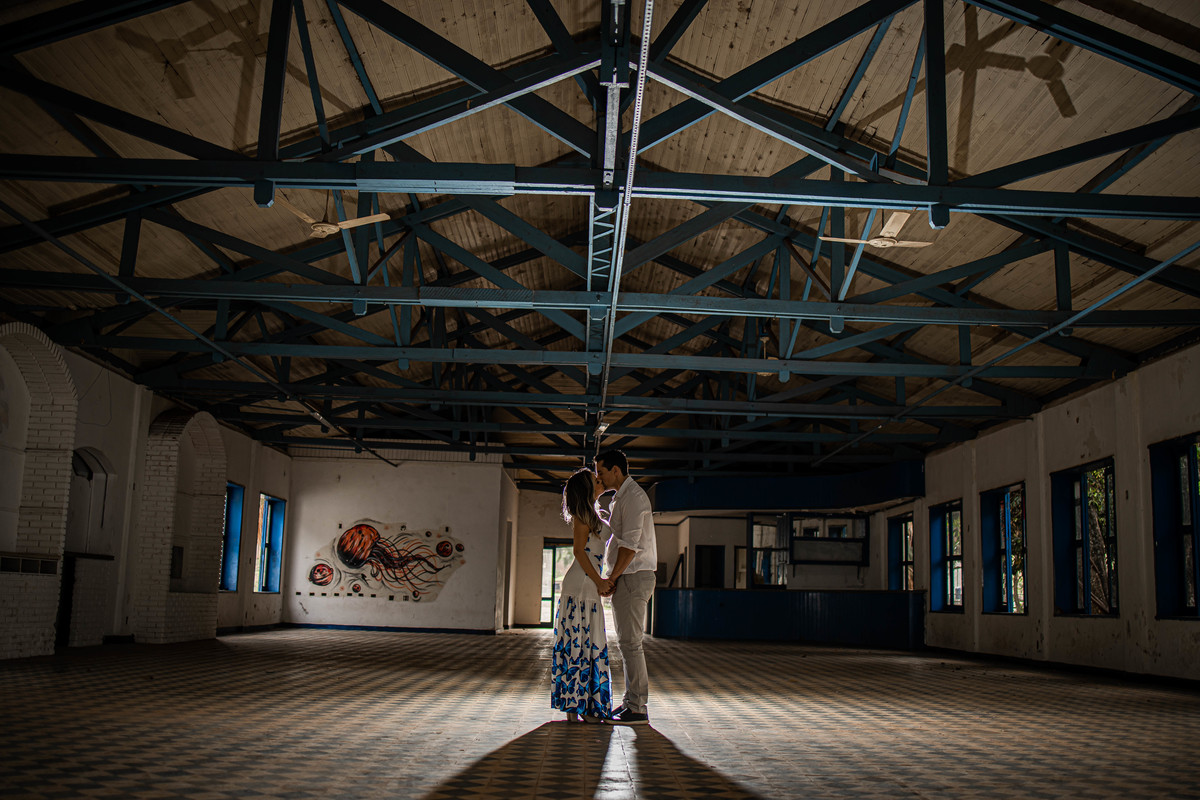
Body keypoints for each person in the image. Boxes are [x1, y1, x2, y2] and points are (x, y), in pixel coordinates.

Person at [594, 449, 657, 726]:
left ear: (616, 470)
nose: (600, 477)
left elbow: (630, 547)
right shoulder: (622, 498)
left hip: (633, 575)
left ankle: (638, 708)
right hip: (629, 576)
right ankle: (631, 701)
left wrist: (612, 578)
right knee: (627, 643)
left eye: (602, 472)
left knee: (631, 643)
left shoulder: (633, 498)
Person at [550, 468, 613, 723]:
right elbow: (578, 551)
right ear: (587, 489)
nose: (599, 481)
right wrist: (600, 581)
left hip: (589, 583)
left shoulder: (594, 515)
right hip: (581, 584)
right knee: (579, 643)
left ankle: (584, 706)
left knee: (589, 642)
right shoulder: (581, 517)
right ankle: (577, 707)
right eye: (594, 481)